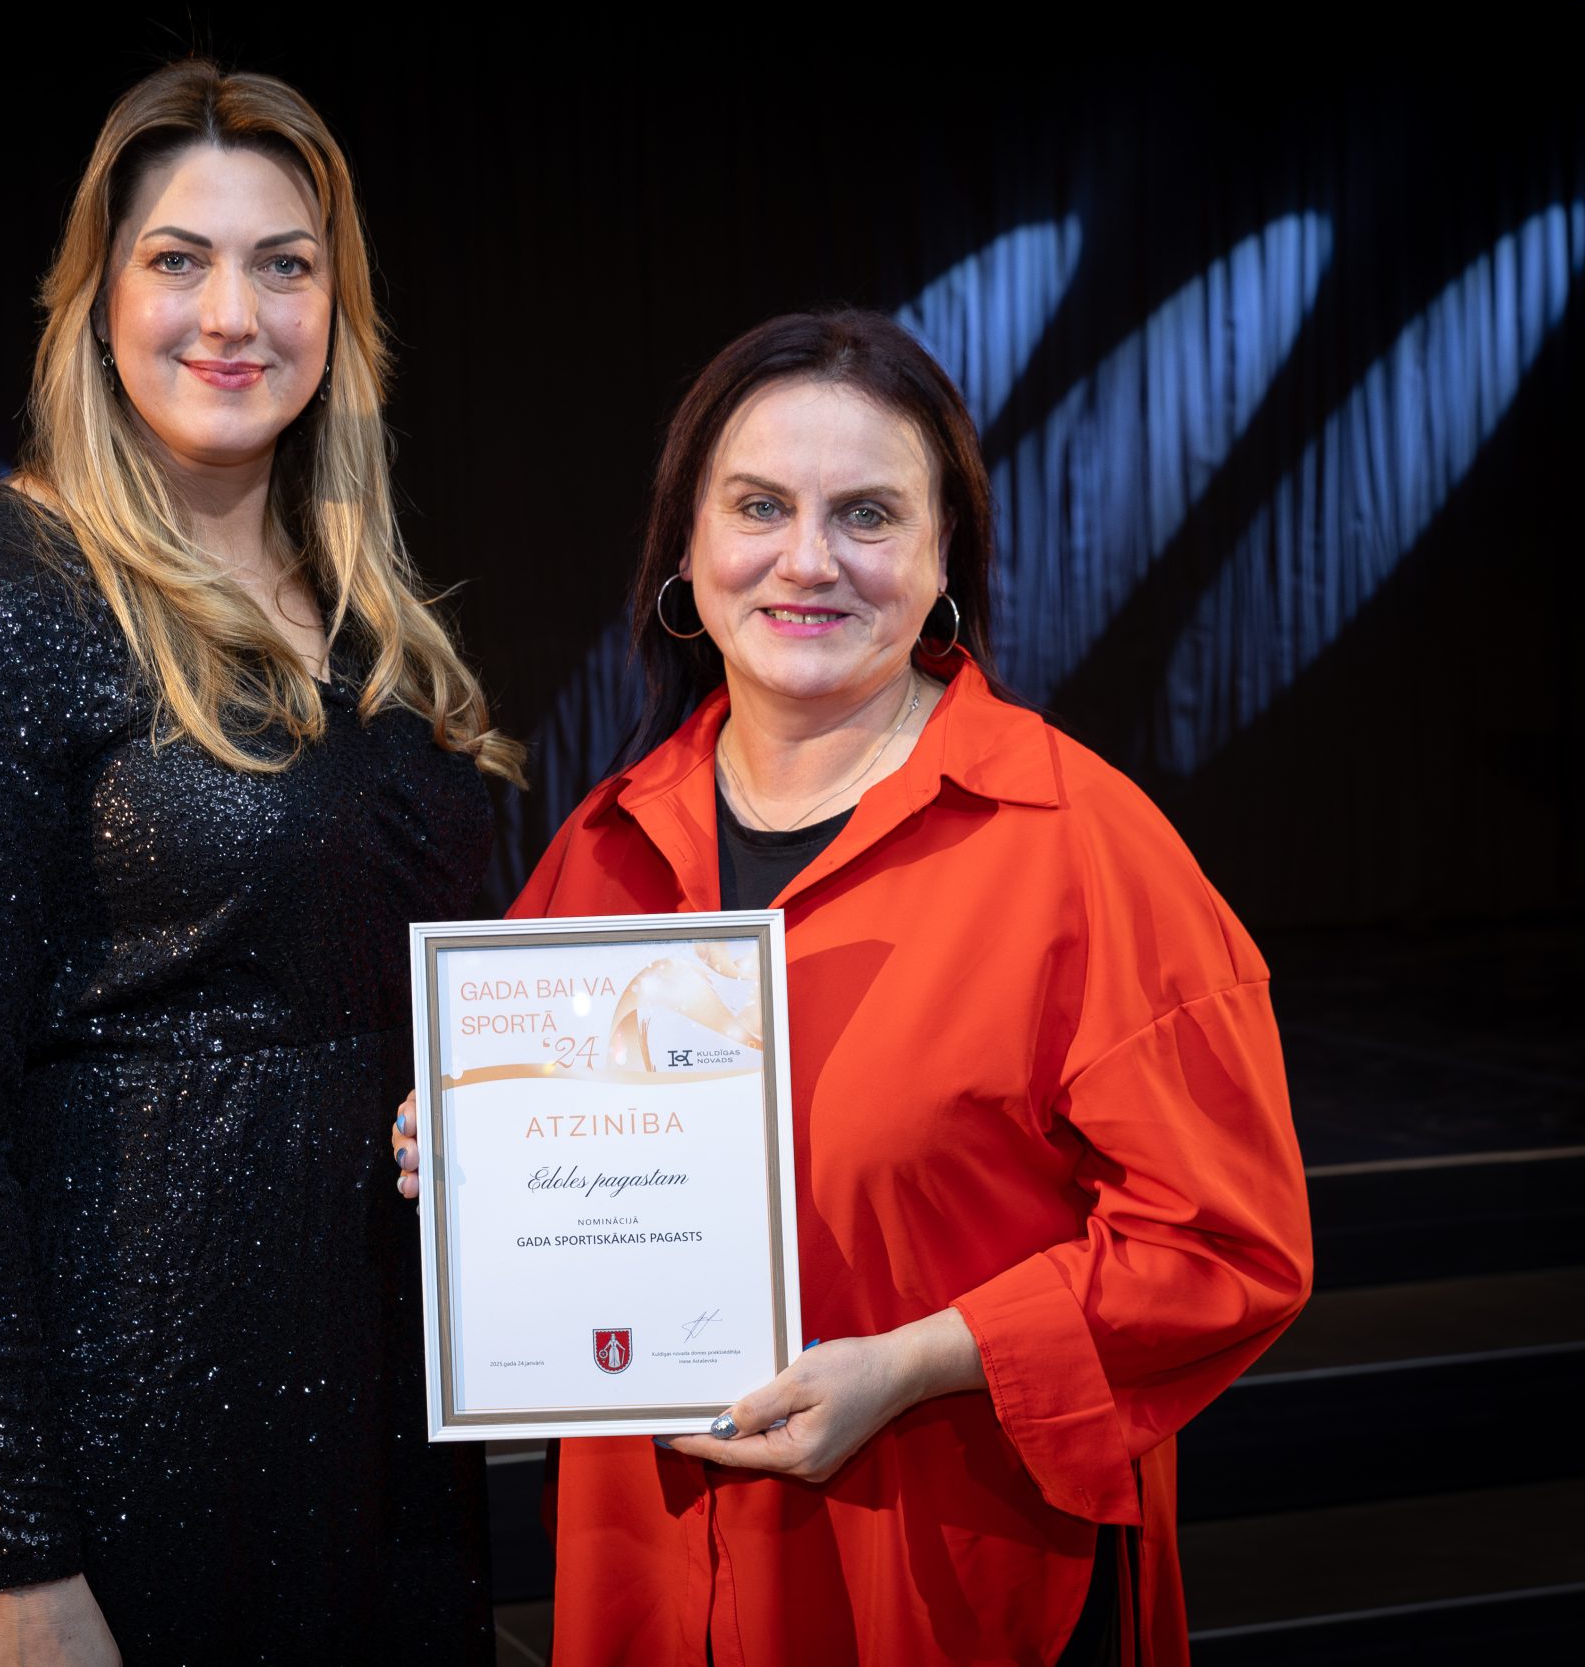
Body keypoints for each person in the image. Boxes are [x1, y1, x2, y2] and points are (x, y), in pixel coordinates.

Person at [395, 307, 1311, 1665]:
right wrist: (465, 1154)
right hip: (654, 1580)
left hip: (940, 1577)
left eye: (868, 515)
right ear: (688, 548)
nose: (807, 559)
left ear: (945, 561)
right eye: (759, 506)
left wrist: (919, 1361)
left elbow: (1229, 1248)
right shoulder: (608, 848)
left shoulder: (1081, 845)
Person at [0, 60, 518, 1666]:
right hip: (138, 1440)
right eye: (177, 259)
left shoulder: (360, 608)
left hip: (381, 1409)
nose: (234, 313)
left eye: (285, 264)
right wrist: (21, 1563)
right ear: (97, 302)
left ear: (337, 311)